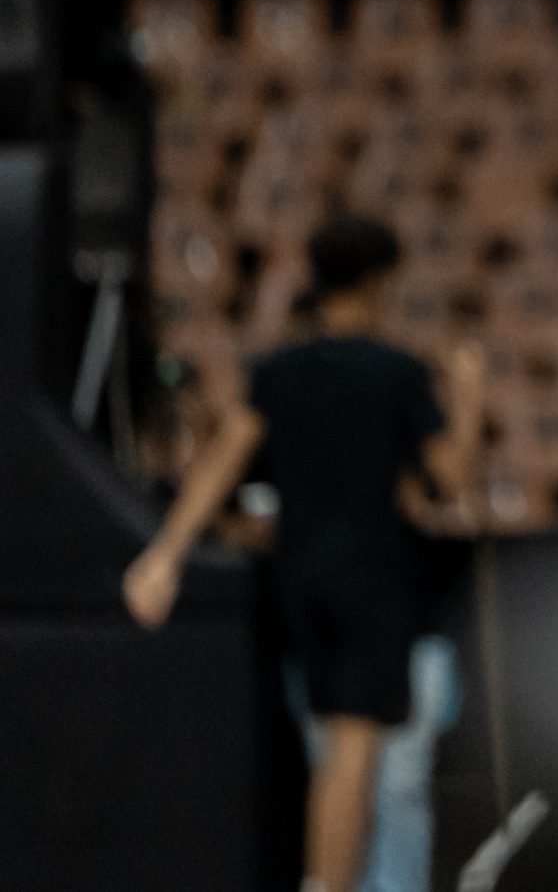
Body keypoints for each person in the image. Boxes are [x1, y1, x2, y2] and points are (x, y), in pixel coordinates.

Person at [125, 216, 483, 892]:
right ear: (380, 281)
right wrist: (466, 398)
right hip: (371, 578)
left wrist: (165, 553)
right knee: (354, 747)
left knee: (335, 749)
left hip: (300, 577)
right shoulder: (397, 372)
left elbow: (222, 461)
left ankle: (331, 879)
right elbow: (450, 481)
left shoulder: (280, 370)